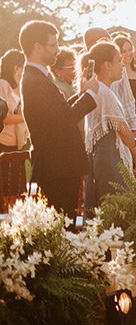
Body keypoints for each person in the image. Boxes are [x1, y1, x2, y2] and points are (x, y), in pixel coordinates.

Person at [19, 20, 99, 216]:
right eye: (53, 45)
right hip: (57, 167)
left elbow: (57, 112)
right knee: (64, 225)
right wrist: (90, 96)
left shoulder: (37, 76)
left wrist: (81, 92)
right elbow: (66, 117)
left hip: (59, 165)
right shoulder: (36, 80)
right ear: (37, 47)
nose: (58, 50)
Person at [81, 42, 136, 202]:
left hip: (106, 159)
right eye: (118, 61)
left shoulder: (98, 89)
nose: (123, 64)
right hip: (110, 161)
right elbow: (122, 128)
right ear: (107, 65)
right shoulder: (102, 91)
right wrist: (135, 149)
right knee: (117, 210)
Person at [84, 27, 136, 137]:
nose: (111, 43)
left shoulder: (119, 68)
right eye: (106, 40)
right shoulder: (86, 73)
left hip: (122, 133)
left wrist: (134, 128)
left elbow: (127, 100)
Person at [0, 50, 27, 153]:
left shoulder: (20, 89)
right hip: (3, 144)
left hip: (17, 145)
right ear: (16, 68)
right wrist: (27, 117)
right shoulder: (3, 85)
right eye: (24, 67)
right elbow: (4, 117)